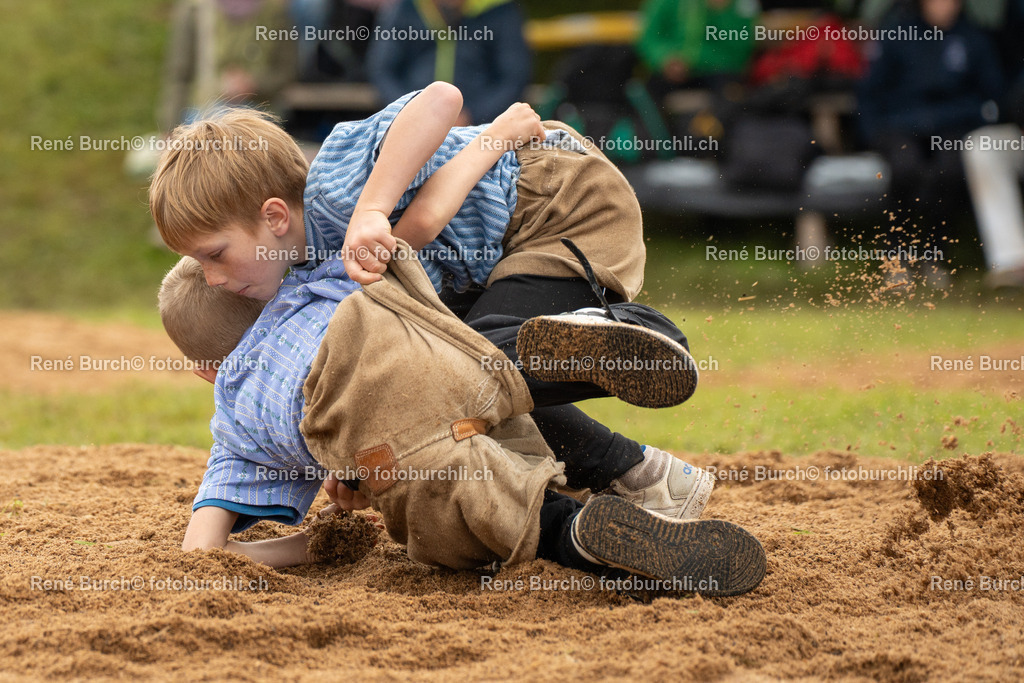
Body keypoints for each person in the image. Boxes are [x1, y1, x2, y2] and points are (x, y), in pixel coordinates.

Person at [149, 84, 710, 520]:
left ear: (274, 217)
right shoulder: (312, 277)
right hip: (503, 252)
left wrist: (373, 208)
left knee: (467, 363)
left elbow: (441, 98)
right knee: (452, 381)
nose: (213, 278)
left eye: (214, 254)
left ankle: (604, 330)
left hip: (558, 204)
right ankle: (647, 476)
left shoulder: (333, 189)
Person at [157, 246, 766, 595]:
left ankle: (572, 533)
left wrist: (312, 542)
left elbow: (206, 553)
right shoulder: (311, 289)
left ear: (206, 374)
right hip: (401, 354)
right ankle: (575, 347)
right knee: (482, 366)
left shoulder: (235, 421)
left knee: (485, 521)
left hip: (387, 454)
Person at [856, 0, 1003, 278]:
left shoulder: (973, 39)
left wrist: (967, 119)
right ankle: (896, 255)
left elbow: (991, 95)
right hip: (900, 126)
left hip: (953, 127)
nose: (945, 6)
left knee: (949, 172)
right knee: (905, 169)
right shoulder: (898, 34)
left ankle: (934, 254)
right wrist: (871, 133)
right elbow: (870, 92)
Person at [367, 0, 531, 126]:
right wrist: (411, 112)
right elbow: (381, 71)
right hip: (410, 124)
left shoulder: (499, 11)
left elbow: (514, 77)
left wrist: (471, 115)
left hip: (482, 129)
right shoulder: (405, 8)